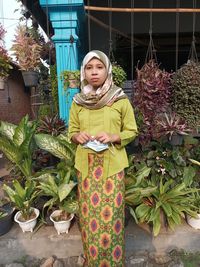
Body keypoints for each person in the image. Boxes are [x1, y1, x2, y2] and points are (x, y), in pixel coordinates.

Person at [68, 50, 138, 267]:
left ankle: (114, 263)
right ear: (83, 72)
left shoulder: (119, 99)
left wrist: (114, 136)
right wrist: (77, 136)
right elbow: (71, 130)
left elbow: (132, 130)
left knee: (112, 220)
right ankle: (92, 260)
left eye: (99, 67)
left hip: (112, 169)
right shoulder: (78, 101)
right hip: (86, 169)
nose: (94, 72)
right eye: (89, 68)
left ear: (107, 70)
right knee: (89, 220)